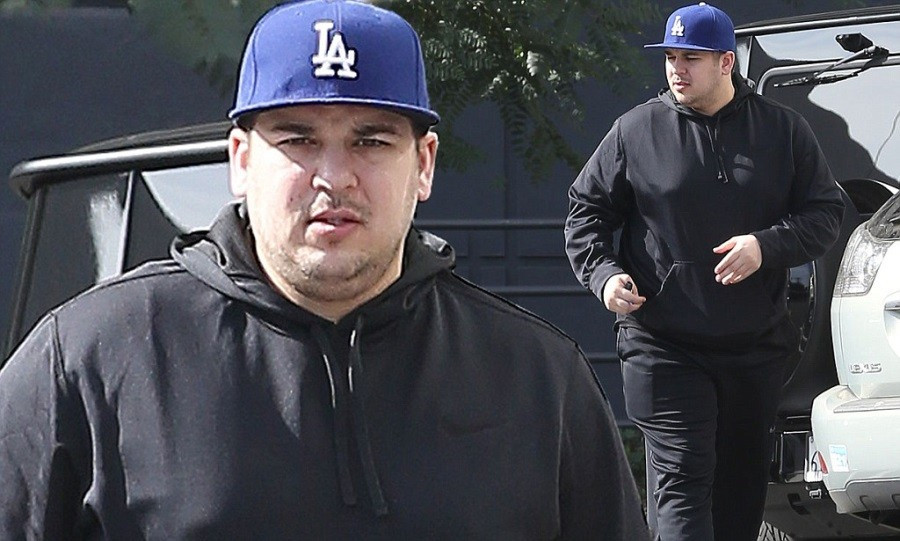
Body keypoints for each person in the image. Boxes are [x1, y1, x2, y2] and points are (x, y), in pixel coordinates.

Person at [0, 1, 647, 538]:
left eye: (370, 140)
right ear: (240, 160)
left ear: (424, 164)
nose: (334, 177)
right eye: (298, 138)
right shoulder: (91, 359)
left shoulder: (537, 379)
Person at [564, 3, 844, 541]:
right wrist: (604, 276)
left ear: (725, 62)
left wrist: (765, 246)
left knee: (738, 502)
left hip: (753, 348)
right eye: (670, 57)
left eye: (690, 58)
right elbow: (586, 213)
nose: (677, 69)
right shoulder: (635, 131)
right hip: (663, 344)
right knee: (682, 487)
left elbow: (826, 213)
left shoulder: (782, 130)